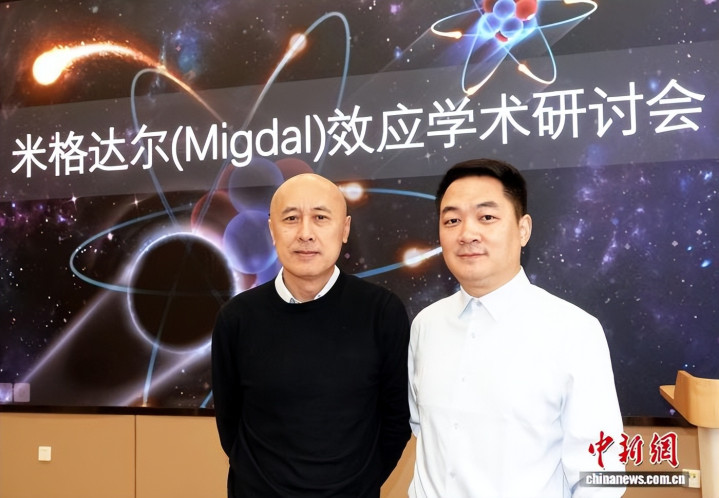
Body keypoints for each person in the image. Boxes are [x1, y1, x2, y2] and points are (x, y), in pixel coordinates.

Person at [408, 158, 624, 497]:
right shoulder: (426, 325)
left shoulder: (574, 331)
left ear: (523, 229)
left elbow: (600, 470)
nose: (467, 234)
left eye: (487, 217)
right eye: (452, 220)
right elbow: (423, 430)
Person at [212, 173, 411, 497]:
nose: (305, 233)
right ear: (272, 230)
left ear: (344, 229)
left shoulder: (382, 312)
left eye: (320, 217)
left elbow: (396, 420)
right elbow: (230, 424)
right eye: (291, 218)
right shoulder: (236, 318)